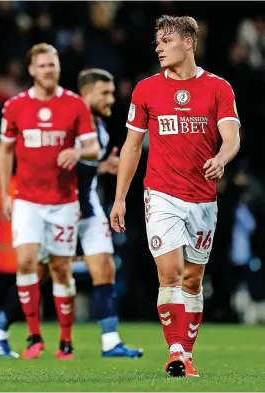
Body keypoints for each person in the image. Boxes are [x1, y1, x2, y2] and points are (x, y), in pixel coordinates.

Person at [110, 15, 241, 377]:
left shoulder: (218, 88)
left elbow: (231, 136)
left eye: (166, 40)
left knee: (193, 280)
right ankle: (176, 351)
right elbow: (132, 147)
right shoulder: (146, 89)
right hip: (161, 194)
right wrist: (120, 198)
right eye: (157, 41)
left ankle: (187, 353)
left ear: (188, 43)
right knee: (169, 274)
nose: (158, 47)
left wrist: (221, 157)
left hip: (203, 198)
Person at [0, 69, 143, 359]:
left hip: (89, 208)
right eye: (104, 93)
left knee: (104, 266)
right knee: (41, 273)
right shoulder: (67, 119)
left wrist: (101, 166)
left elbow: (82, 160)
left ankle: (110, 341)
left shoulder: (101, 127)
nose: (112, 98)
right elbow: (50, 159)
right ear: (86, 95)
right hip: (58, 207)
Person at [0, 43, 100, 359]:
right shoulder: (14, 106)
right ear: (31, 69)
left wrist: (78, 151)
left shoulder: (75, 105)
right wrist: (4, 194)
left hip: (64, 202)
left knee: (60, 269)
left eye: (52, 64)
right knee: (26, 262)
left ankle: (65, 341)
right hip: (27, 199)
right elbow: (5, 151)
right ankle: (33, 336)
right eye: (42, 65)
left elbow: (94, 148)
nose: (48, 70)